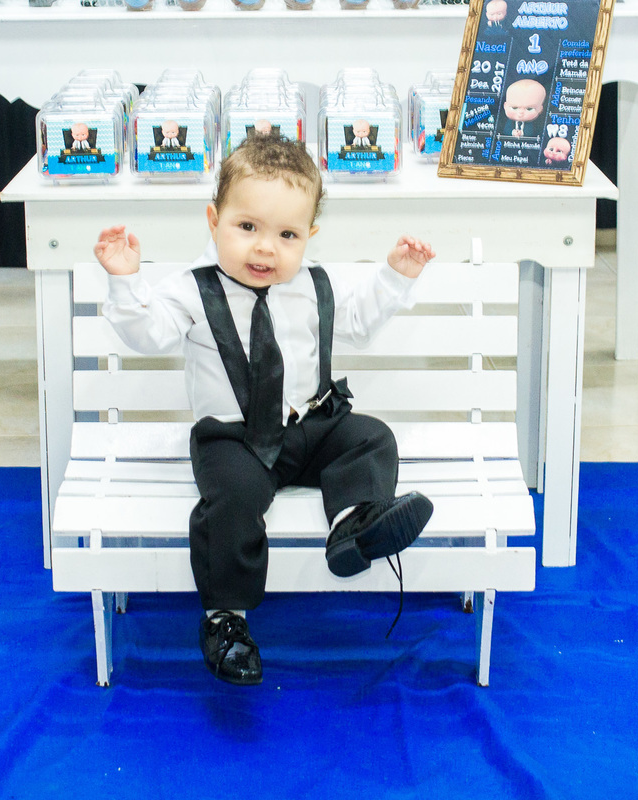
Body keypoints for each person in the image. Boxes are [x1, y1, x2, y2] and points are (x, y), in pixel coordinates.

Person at [93, 134, 435, 685]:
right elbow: (149, 333)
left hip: (309, 425)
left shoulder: (313, 284)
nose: (265, 249)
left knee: (371, 437)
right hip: (234, 439)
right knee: (231, 501)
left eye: (286, 235)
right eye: (247, 226)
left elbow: (357, 324)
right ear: (214, 220)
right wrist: (125, 279)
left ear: (309, 236)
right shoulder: (191, 291)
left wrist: (396, 275)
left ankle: (353, 525)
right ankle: (226, 619)